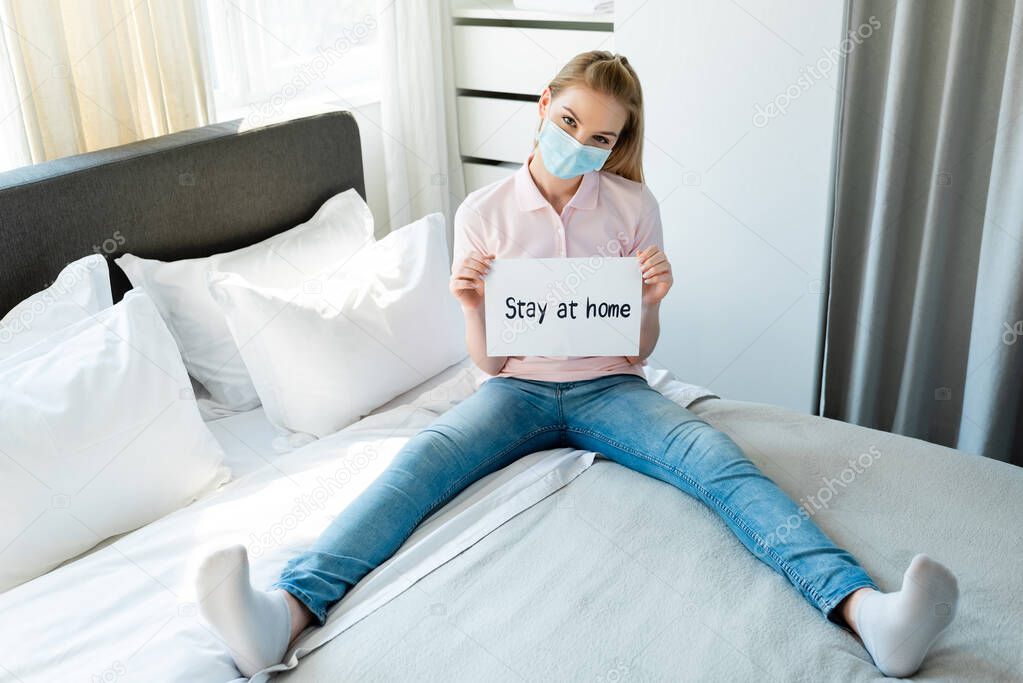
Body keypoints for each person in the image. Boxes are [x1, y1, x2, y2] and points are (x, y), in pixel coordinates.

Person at [196, 51, 958, 679]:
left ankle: (865, 610)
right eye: (568, 122)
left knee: (720, 465)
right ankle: (283, 613)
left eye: (598, 137)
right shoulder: (482, 213)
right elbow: (490, 359)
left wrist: (654, 296)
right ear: (542, 105)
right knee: (419, 463)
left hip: (611, 386)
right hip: (517, 389)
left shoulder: (631, 206)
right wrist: (469, 304)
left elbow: (637, 349)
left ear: (615, 143)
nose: (579, 143)